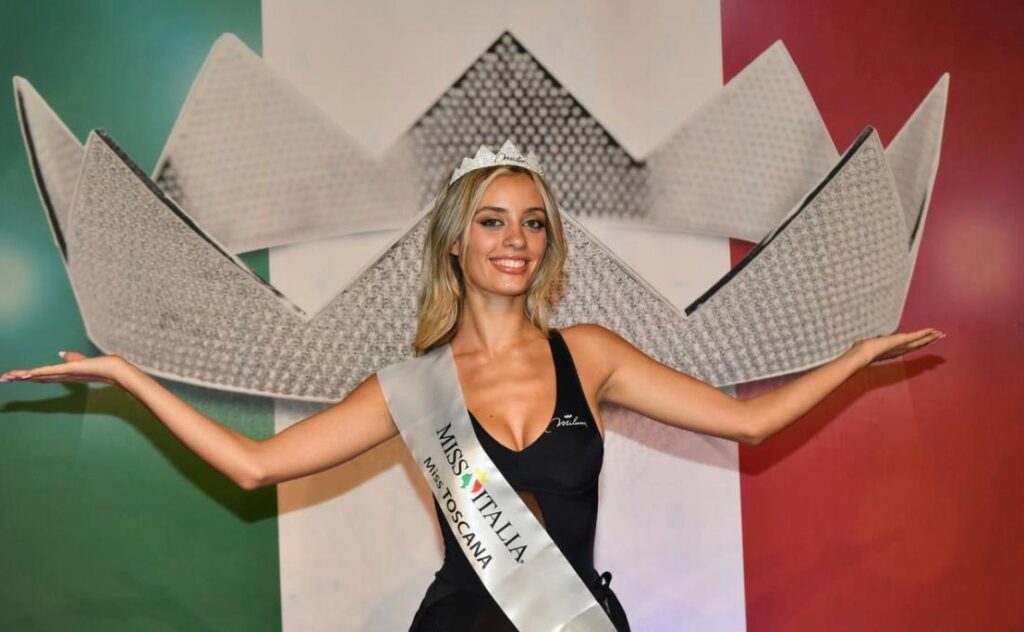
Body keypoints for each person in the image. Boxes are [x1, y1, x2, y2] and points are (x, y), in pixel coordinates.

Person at [1, 142, 944, 631]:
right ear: (457, 239)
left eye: (532, 222)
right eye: (492, 220)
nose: (514, 240)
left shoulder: (592, 354)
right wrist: (128, 377)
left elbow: (755, 422)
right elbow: (254, 466)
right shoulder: (411, 386)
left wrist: (854, 355)